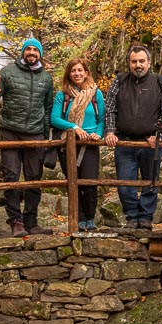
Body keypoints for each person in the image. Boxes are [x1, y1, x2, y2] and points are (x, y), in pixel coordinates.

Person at [0, 37, 55, 237]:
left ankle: (31, 222)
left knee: (34, 178)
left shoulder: (46, 79)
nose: (31, 52)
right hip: (10, 132)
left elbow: (48, 109)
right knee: (11, 177)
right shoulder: (7, 72)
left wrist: (46, 136)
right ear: (23, 52)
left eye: (35, 50)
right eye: (28, 49)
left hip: (35, 134)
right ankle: (16, 222)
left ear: (40, 54)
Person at [103, 44, 162, 230]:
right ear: (129, 63)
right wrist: (110, 131)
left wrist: (158, 135)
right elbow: (110, 108)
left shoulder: (160, 82)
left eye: (142, 61)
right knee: (125, 183)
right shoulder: (119, 81)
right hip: (125, 141)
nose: (138, 65)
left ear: (149, 63)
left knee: (151, 180)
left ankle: (146, 217)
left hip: (150, 142)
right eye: (134, 61)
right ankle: (132, 217)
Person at [50, 58, 106, 231]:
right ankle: (79, 219)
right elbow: (55, 118)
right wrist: (74, 127)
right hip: (69, 145)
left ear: (86, 72)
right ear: (69, 74)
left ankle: (90, 218)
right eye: (73, 70)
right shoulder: (63, 95)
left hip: (90, 145)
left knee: (89, 183)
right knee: (73, 183)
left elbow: (102, 118)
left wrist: (98, 132)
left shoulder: (96, 94)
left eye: (80, 70)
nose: (77, 73)